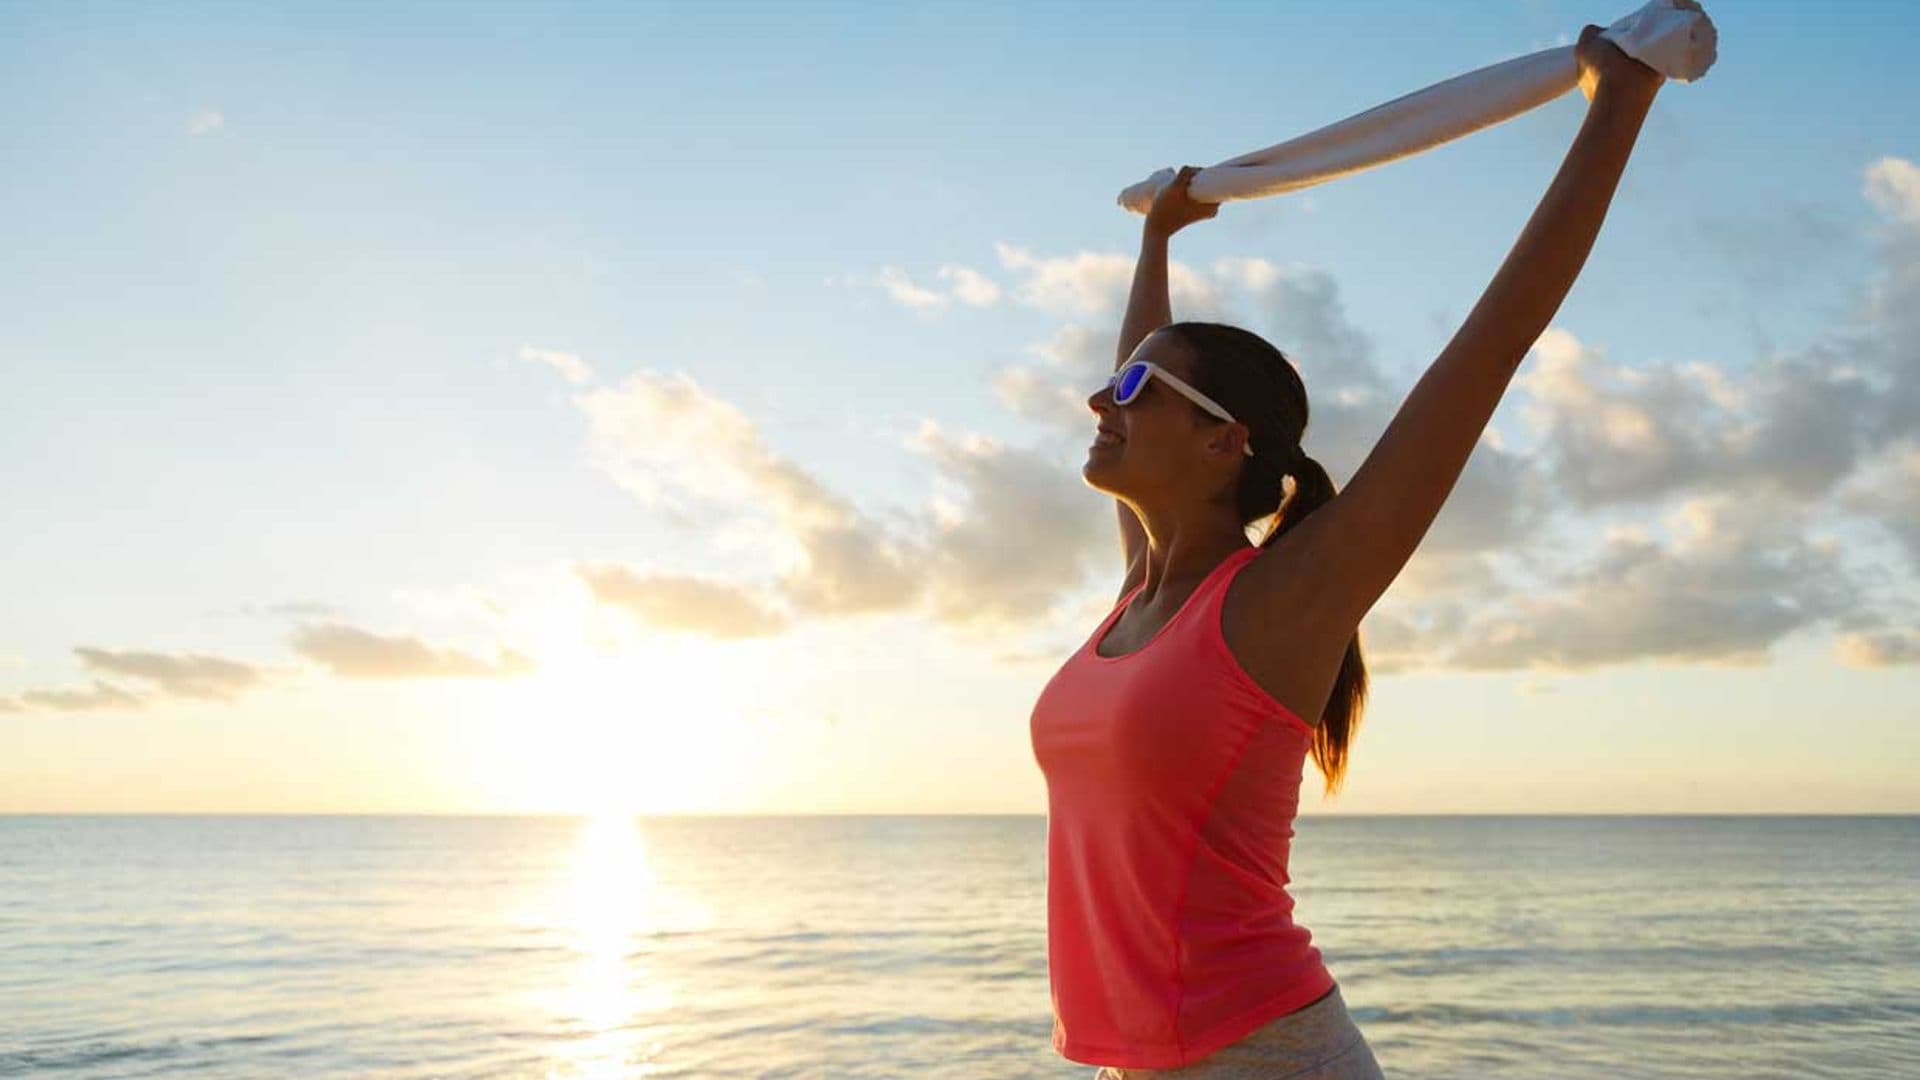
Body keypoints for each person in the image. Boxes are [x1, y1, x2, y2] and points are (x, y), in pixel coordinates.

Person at [1028, 26, 1664, 1079]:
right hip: (1133, 1063)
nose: (1102, 398)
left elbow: (1492, 341)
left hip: (1264, 1056)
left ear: (1223, 442)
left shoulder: (1284, 600)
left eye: (1136, 393)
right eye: (1113, 384)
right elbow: (1139, 359)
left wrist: (1618, 103)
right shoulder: (1140, 593)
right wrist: (1158, 239)